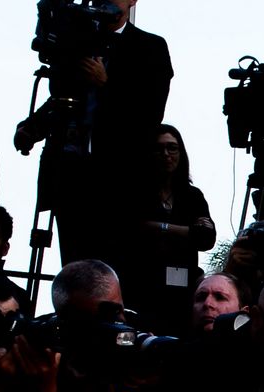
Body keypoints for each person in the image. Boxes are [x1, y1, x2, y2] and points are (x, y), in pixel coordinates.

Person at [12, 0, 171, 269]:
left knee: (113, 266)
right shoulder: (79, 39)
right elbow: (62, 97)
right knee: (73, 264)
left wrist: (106, 83)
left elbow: (150, 113)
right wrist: (33, 127)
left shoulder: (150, 47)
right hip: (70, 173)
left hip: (119, 181)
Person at [119, 124, 215, 335]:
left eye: (172, 148)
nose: (166, 154)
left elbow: (206, 238)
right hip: (142, 287)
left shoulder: (192, 196)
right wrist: (187, 231)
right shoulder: (135, 193)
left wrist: (159, 227)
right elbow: (132, 229)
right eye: (159, 148)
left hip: (182, 291)